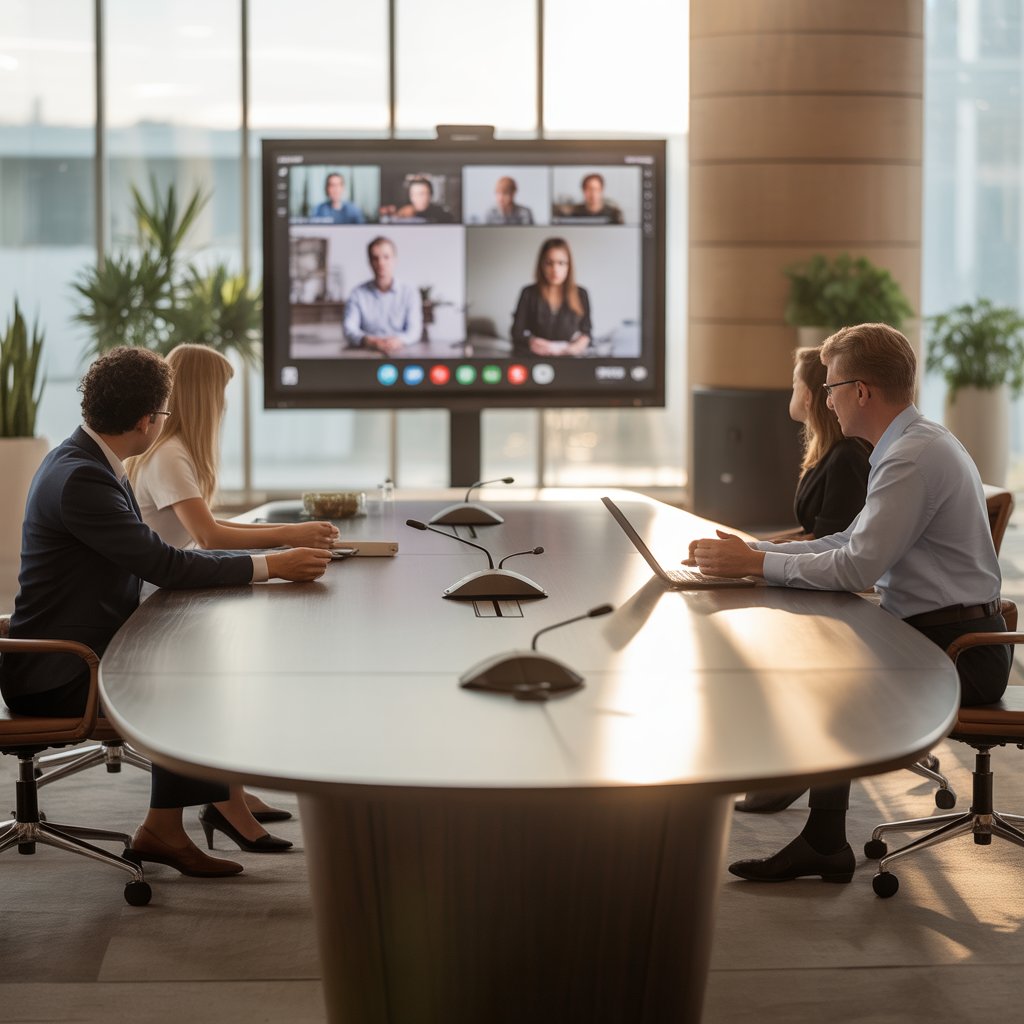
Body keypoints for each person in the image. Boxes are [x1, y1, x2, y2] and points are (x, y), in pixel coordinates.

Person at [687, 323, 1012, 883]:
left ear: (862, 391)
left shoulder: (909, 456)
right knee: (824, 654)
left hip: (960, 652)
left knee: (826, 665)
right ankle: (822, 835)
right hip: (945, 635)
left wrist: (759, 565)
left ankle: (822, 837)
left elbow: (858, 568)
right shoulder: (910, 445)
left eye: (833, 386)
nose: (827, 400)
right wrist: (752, 551)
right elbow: (851, 542)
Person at [0, 347, 332, 878]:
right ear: (146, 420)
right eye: (163, 414)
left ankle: (194, 814)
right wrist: (271, 565)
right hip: (59, 669)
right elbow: (164, 562)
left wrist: (265, 561)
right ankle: (168, 827)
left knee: (196, 660)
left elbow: (165, 558)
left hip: (73, 651)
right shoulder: (83, 477)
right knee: (190, 682)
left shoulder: (83, 459)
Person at [127, 343, 341, 846]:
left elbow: (206, 526)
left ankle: (233, 795)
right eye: (221, 393)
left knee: (228, 669)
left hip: (177, 589)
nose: (224, 405)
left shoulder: (174, 453)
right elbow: (210, 538)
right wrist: (286, 542)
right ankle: (225, 802)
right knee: (220, 677)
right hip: (159, 600)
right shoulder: (171, 456)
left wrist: (289, 535)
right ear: (204, 396)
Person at [733, 345, 871, 814]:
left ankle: (791, 767)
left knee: (769, 647)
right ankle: (787, 767)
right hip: (832, 579)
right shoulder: (828, 452)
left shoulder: (852, 456)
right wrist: (751, 548)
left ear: (815, 395)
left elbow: (838, 546)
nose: (793, 392)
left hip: (851, 596)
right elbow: (819, 535)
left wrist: (756, 557)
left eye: (797, 385)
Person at [510, 237, 592, 357]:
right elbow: (516, 332)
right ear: (541, 265)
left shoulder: (581, 294)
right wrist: (531, 342)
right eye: (549, 263)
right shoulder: (528, 293)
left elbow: (587, 332)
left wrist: (579, 344)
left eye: (561, 263)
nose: (555, 270)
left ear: (569, 266)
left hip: (569, 357)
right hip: (536, 356)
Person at [342, 236, 423, 355]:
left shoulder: (409, 292)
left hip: (402, 352)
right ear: (369, 262)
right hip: (366, 353)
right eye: (375, 258)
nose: (381, 263)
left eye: (386, 257)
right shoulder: (357, 294)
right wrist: (369, 341)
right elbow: (349, 329)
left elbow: (414, 330)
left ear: (395, 259)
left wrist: (399, 341)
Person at [387, 176, 454, 223]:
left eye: (422, 194)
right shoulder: (401, 215)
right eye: (414, 194)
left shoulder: (443, 216)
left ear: (430, 195)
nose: (418, 198)